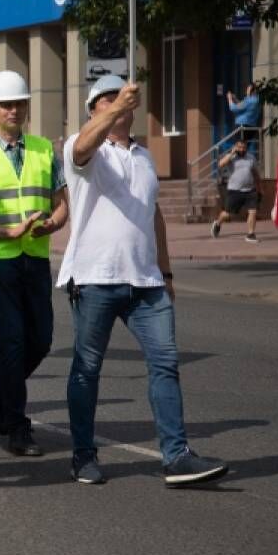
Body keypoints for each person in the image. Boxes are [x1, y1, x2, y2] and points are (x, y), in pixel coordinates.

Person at [59, 78, 228, 487]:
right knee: (87, 369)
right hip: (95, 278)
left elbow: (154, 216)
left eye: (121, 97)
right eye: (106, 100)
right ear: (92, 110)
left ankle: (176, 456)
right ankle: (83, 455)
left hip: (146, 282)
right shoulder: (82, 149)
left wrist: (166, 272)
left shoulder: (145, 157)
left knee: (166, 363)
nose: (116, 104)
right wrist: (115, 110)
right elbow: (82, 149)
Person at [0, 70, 69, 457]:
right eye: (6, 104)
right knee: (10, 342)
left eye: (19, 103)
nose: (14, 110)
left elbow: (60, 202)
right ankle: (17, 427)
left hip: (36, 256)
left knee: (41, 339)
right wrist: (9, 232)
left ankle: (1, 389)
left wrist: (53, 224)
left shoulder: (43, 148)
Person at [211, 137, 261, 243]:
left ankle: (251, 234)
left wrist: (259, 188)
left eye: (244, 147)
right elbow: (220, 164)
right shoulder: (232, 157)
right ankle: (218, 223)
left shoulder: (251, 158)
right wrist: (231, 153)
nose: (242, 149)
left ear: (246, 148)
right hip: (235, 191)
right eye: (239, 147)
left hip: (250, 190)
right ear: (235, 147)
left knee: (253, 211)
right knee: (228, 214)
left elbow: (256, 174)